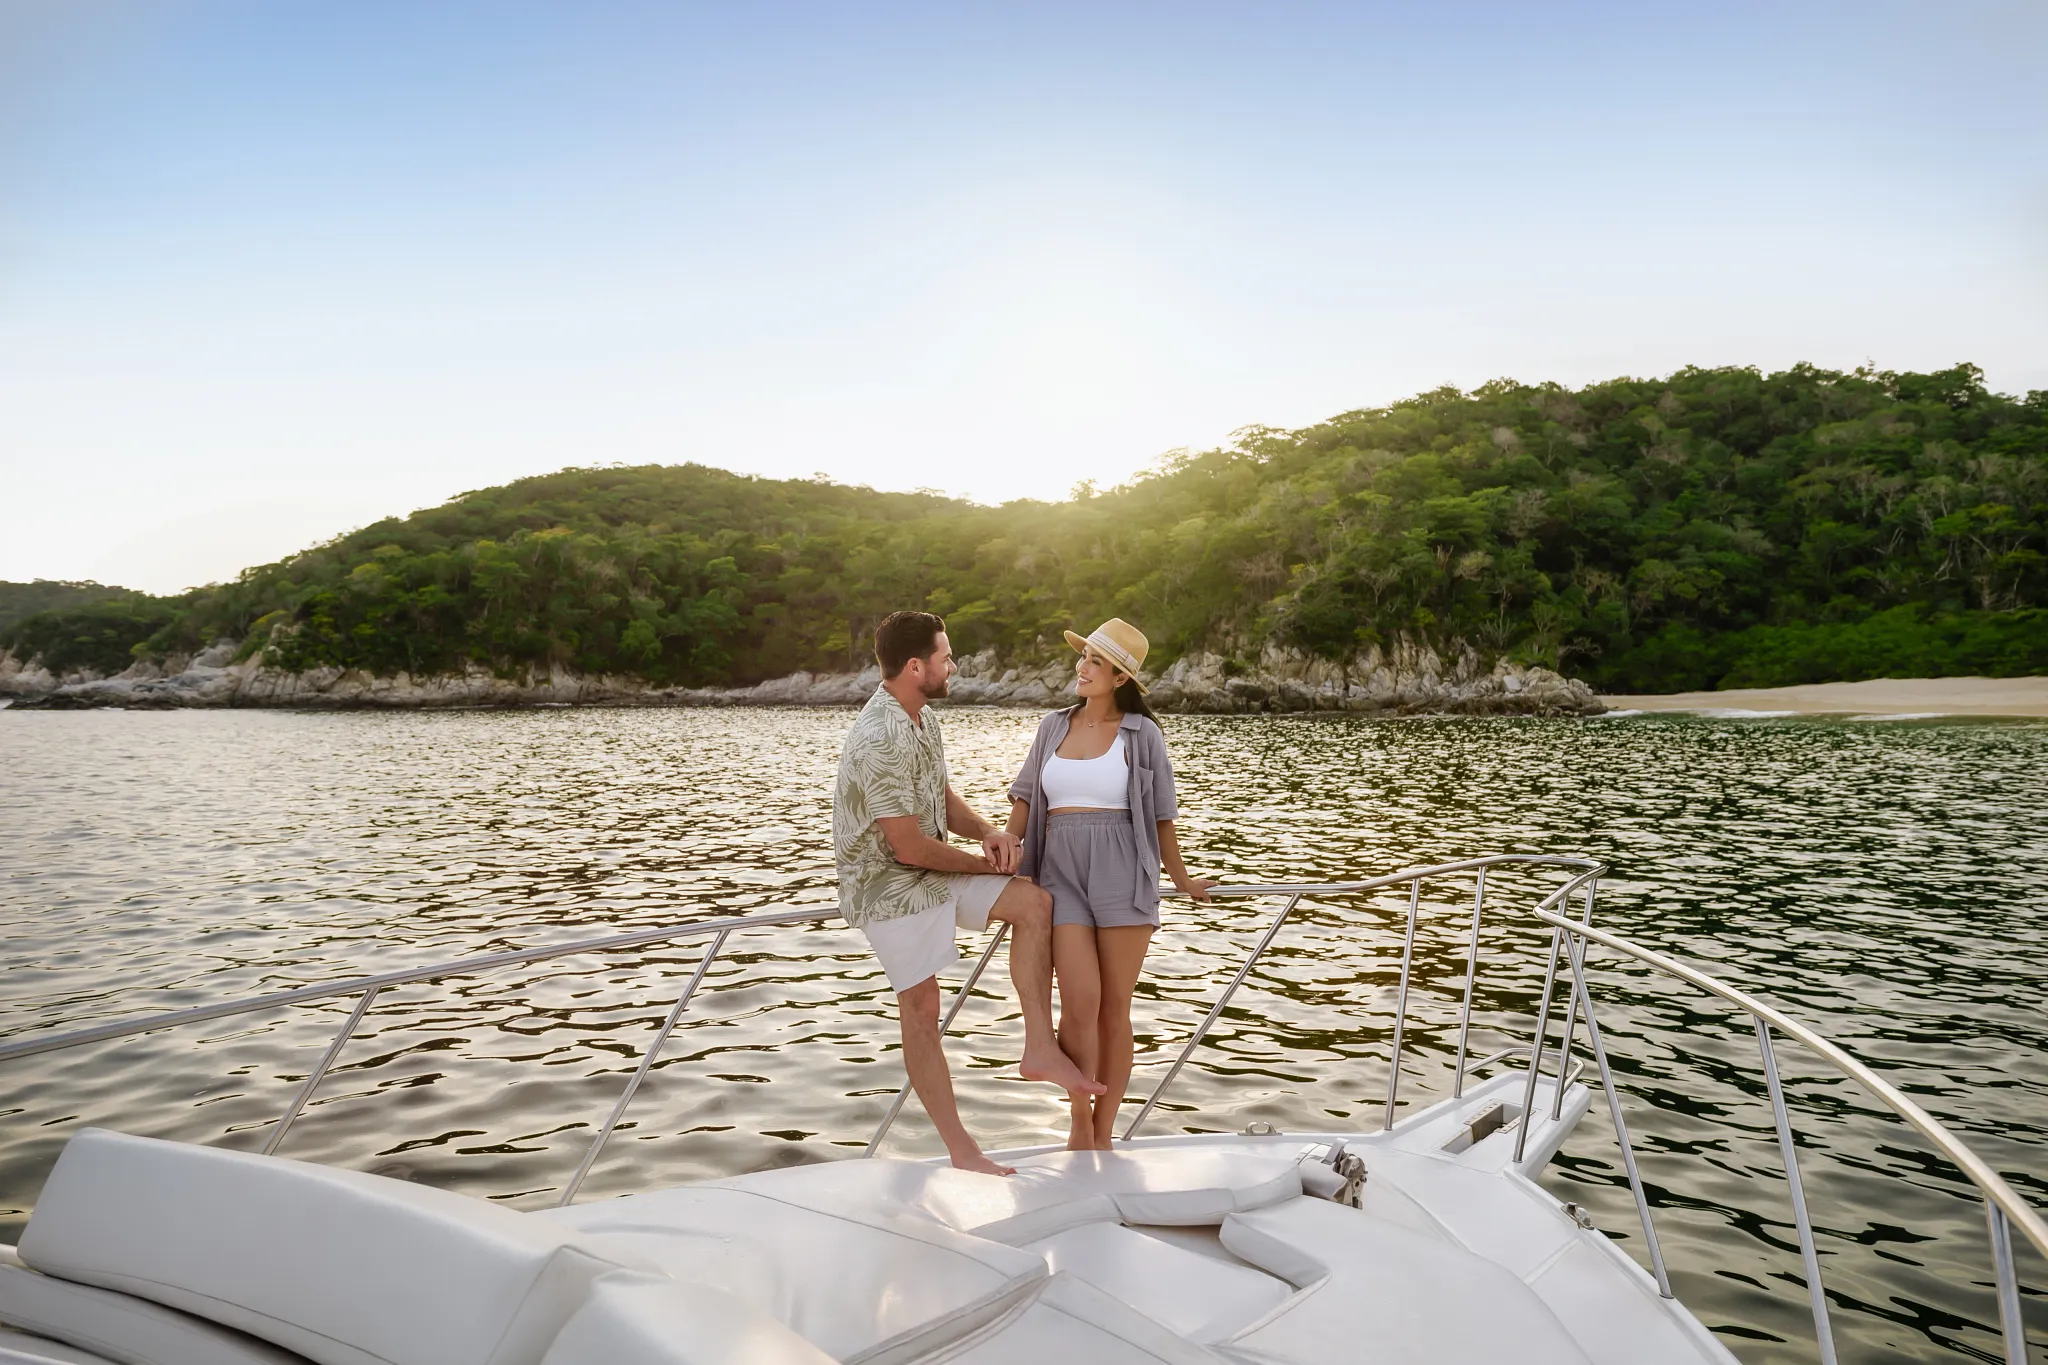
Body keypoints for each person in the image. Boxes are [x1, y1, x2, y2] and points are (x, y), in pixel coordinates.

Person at [833, 610, 1104, 1176]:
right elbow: (907, 847)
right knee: (922, 1011)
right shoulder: (878, 735)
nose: (953, 665)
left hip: (927, 872)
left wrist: (991, 835)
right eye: (946, 657)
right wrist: (983, 864)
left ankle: (1037, 1047)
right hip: (885, 885)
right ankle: (962, 1150)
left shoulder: (922, 719)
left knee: (1034, 902)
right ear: (915, 666)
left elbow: (942, 796)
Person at [1006, 618, 1216, 1150]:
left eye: (1095, 661)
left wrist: (1182, 876)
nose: (1083, 667)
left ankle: (1105, 1129)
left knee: (1114, 1009)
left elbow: (1162, 815)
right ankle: (1078, 1123)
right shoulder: (1053, 725)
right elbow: (1025, 799)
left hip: (1123, 869)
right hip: (1060, 871)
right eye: (1083, 658)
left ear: (1120, 677)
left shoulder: (1142, 734)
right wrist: (1006, 854)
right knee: (1079, 1001)